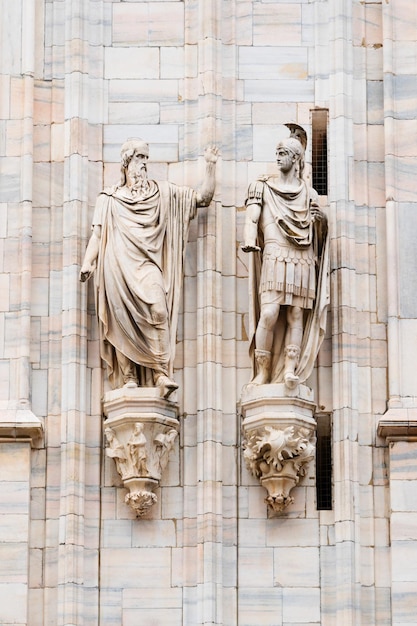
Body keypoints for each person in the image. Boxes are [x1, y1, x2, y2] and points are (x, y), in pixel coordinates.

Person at [80, 139, 218, 397]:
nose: (144, 163)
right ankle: (129, 376)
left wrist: (210, 167)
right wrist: (89, 261)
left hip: (147, 265)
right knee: (120, 318)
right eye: (139, 157)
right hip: (116, 265)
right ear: (126, 163)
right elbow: (98, 236)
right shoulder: (109, 199)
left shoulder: (163, 193)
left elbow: (202, 198)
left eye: (146, 158)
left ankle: (160, 372)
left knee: (159, 310)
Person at [242, 130, 329, 389]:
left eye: (283, 154)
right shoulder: (262, 187)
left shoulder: (309, 194)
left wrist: (320, 220)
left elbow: (320, 231)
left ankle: (290, 369)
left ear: (296, 158)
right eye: (277, 153)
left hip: (301, 256)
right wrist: (249, 239)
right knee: (268, 313)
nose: (278, 158)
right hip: (274, 253)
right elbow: (252, 217)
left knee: (295, 315)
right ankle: (263, 371)